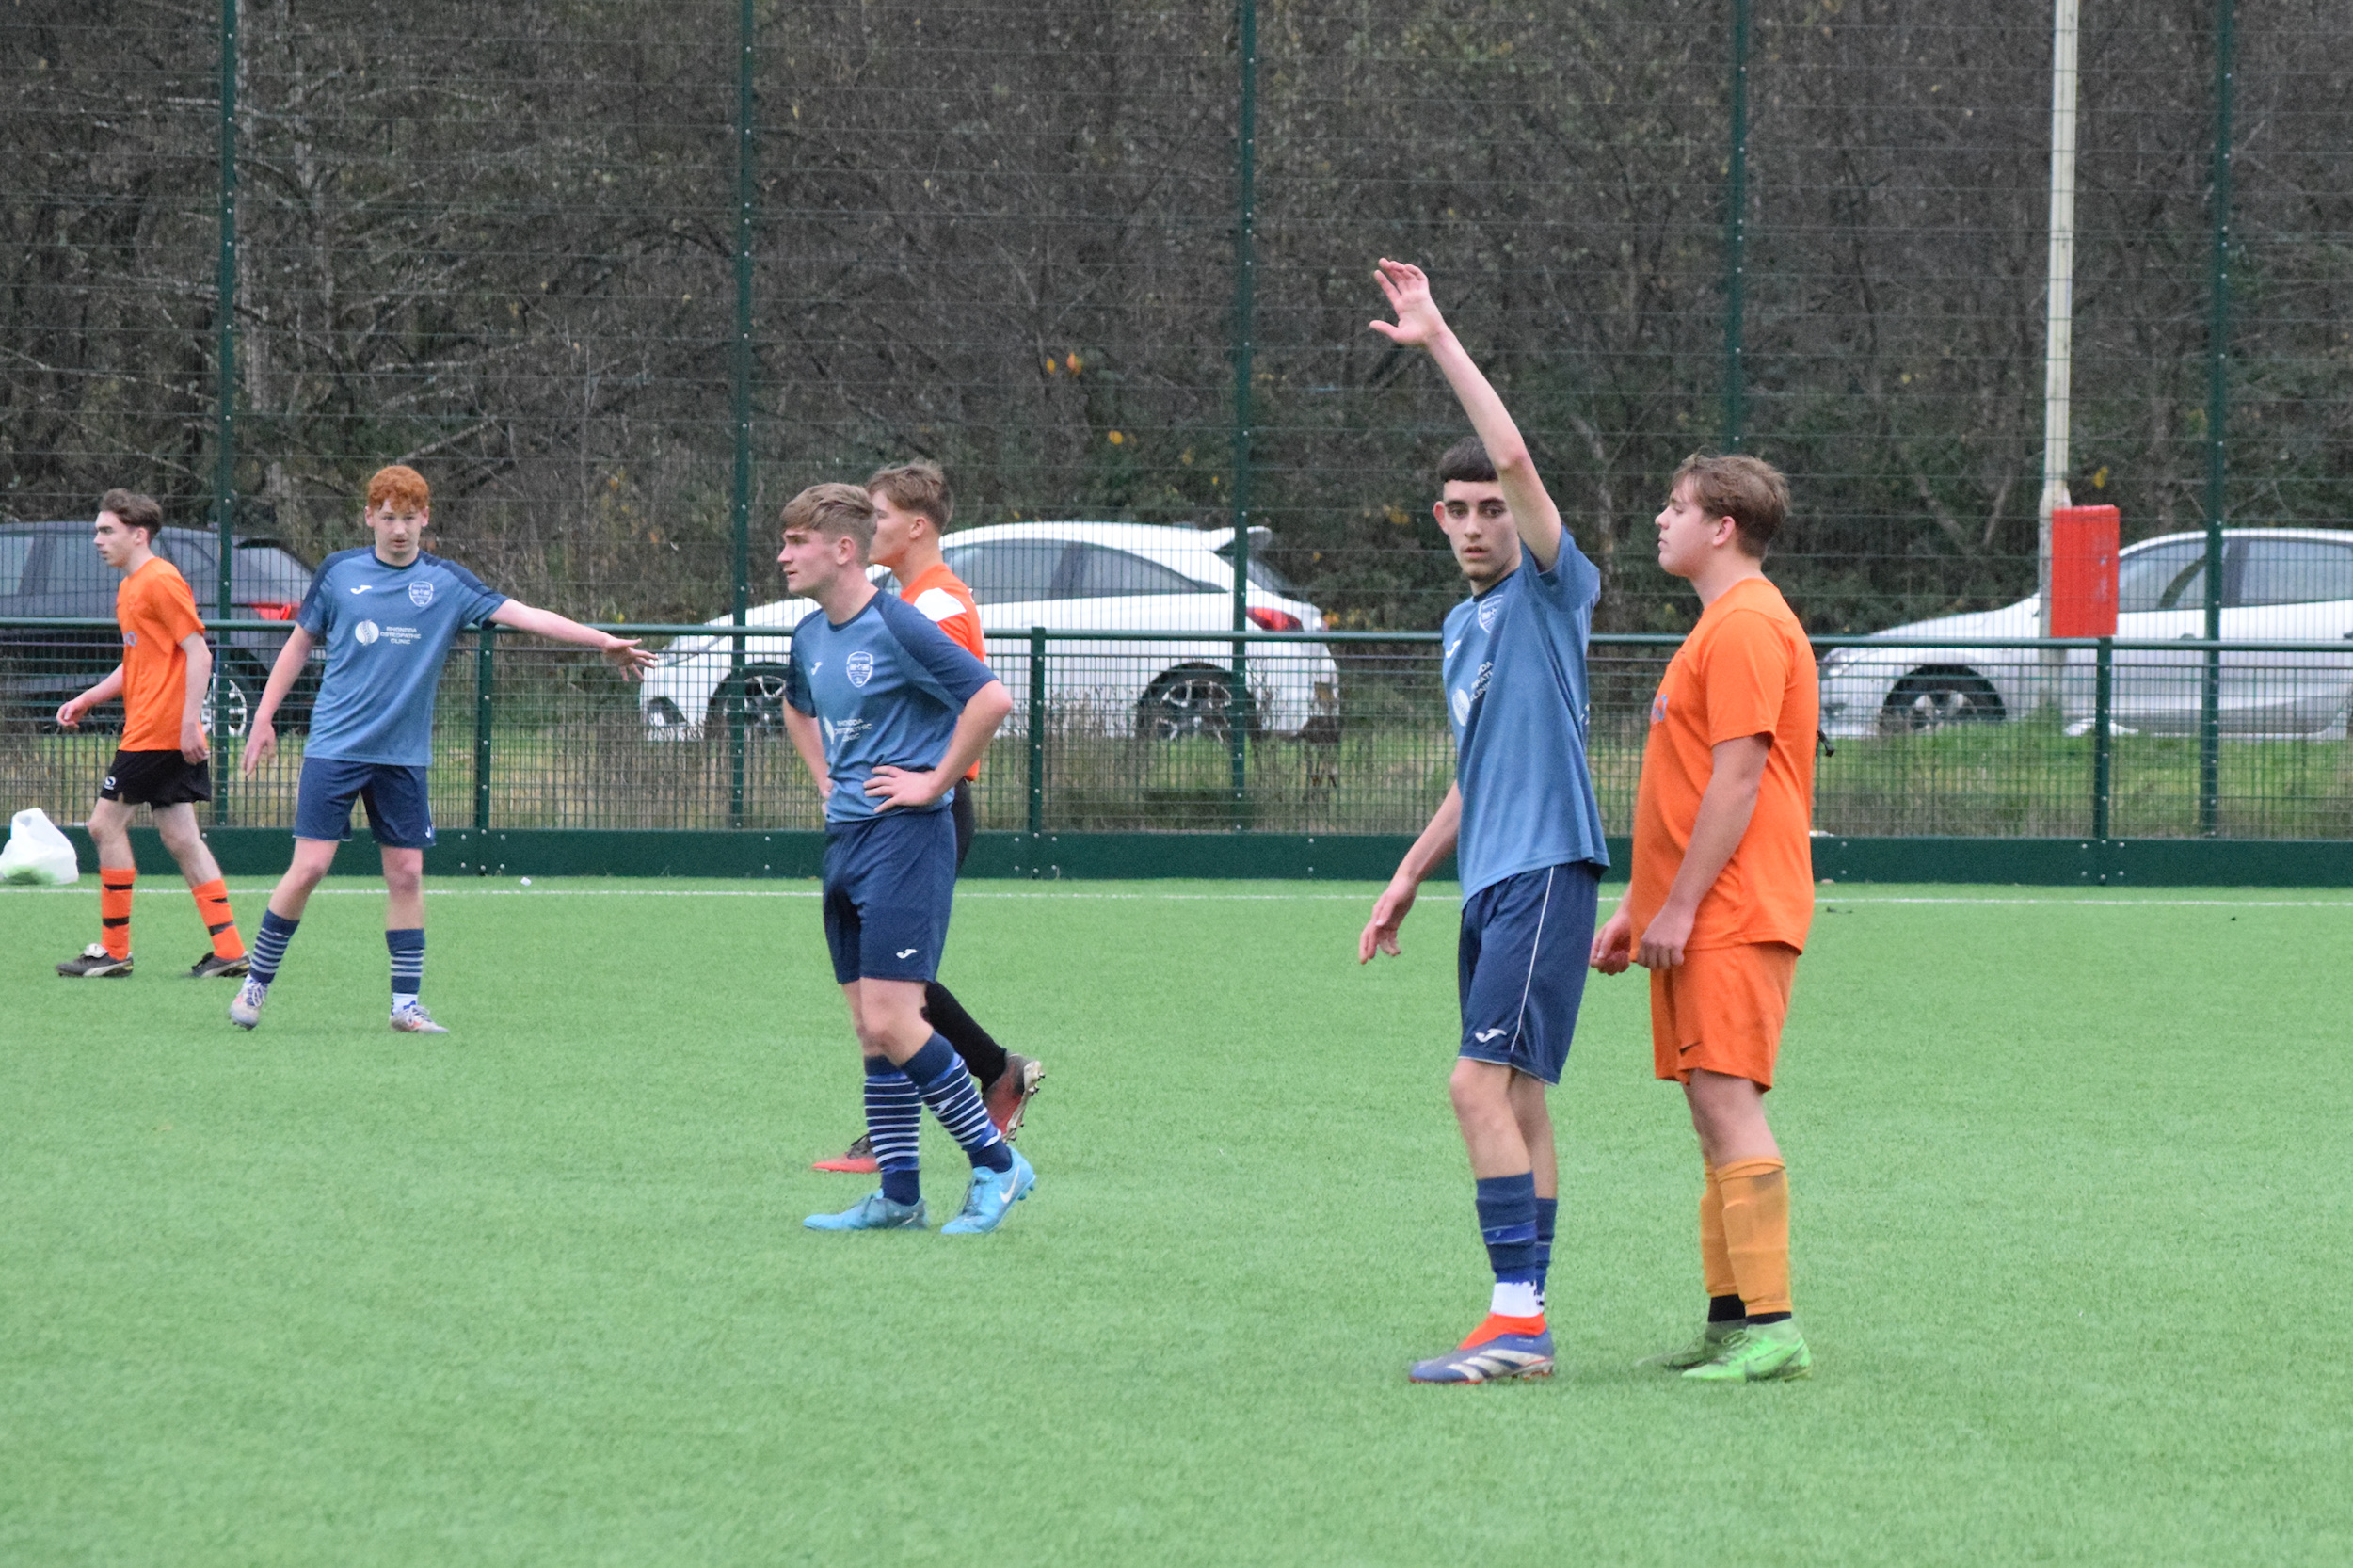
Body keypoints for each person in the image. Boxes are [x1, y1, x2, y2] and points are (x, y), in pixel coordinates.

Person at [1356, 260, 1609, 1384]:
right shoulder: (1460, 629)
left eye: (1489, 508)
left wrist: (1438, 340)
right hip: (1492, 877)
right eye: (1455, 511)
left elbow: (1512, 454)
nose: (1473, 523)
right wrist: (1410, 872)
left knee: (1473, 1086)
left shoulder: (1552, 592)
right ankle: (1526, 1316)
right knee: (1516, 1094)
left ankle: (1515, 1323)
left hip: (1547, 869)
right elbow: (1473, 775)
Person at [230, 464, 654, 1032]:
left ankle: (405, 1006)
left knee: (407, 874)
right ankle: (255, 984)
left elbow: (526, 615)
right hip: (335, 746)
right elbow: (299, 643)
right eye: (388, 518)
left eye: (409, 518)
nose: (398, 529)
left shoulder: (447, 583)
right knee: (309, 867)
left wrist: (602, 641)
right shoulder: (339, 573)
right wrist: (263, 717)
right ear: (369, 518)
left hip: (403, 757)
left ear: (425, 519)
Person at [1589, 453, 1818, 1384]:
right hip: (1700, 910)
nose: (1660, 517)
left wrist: (1679, 906)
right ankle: (1732, 1323)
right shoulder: (1719, 625)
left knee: (1728, 1105)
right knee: (1709, 1112)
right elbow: (1686, 787)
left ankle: (1774, 1327)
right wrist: (1638, 907)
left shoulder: (1749, 624)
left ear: (1723, 527)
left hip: (1732, 908)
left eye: (1676, 505)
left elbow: (1738, 777)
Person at [775, 482, 1032, 1235]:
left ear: (842, 550)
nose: (784, 556)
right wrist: (826, 779)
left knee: (895, 1018)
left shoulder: (900, 622)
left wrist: (934, 782)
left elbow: (990, 699)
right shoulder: (809, 635)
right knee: (871, 1027)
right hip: (847, 840)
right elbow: (796, 705)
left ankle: (998, 1166)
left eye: (797, 542)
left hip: (907, 838)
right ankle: (899, 1196)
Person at [52, 489, 248, 980]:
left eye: (107, 530)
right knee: (181, 837)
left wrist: (187, 723)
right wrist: (88, 698)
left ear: (139, 534)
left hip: (157, 734)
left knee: (104, 826)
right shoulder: (130, 587)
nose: (97, 540)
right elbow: (136, 662)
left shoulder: (160, 580)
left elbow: (199, 653)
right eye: (97, 530)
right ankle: (230, 950)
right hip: (157, 731)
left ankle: (114, 951)